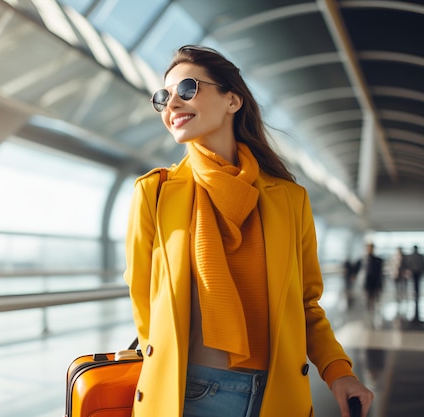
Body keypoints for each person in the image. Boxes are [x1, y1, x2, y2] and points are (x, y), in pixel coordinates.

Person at [124, 45, 373, 417]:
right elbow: (144, 302)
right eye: (163, 97)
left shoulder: (289, 199)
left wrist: (338, 371)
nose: (172, 104)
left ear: (232, 100)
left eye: (187, 88)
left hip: (276, 395)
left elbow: (306, 305)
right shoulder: (155, 193)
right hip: (187, 395)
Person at [354, 243, 384, 325]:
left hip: (375, 283)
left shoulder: (378, 260)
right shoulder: (363, 259)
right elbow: (355, 269)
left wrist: (380, 285)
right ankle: (368, 312)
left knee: (374, 298)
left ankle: (372, 311)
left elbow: (380, 274)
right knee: (367, 298)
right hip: (366, 283)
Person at [405, 245, 424, 322]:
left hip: (414, 271)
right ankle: (417, 292)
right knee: (417, 283)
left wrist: (409, 270)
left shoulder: (411, 256)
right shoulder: (420, 256)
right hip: (418, 271)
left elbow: (408, 264)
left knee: (414, 283)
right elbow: (423, 264)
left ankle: (415, 292)